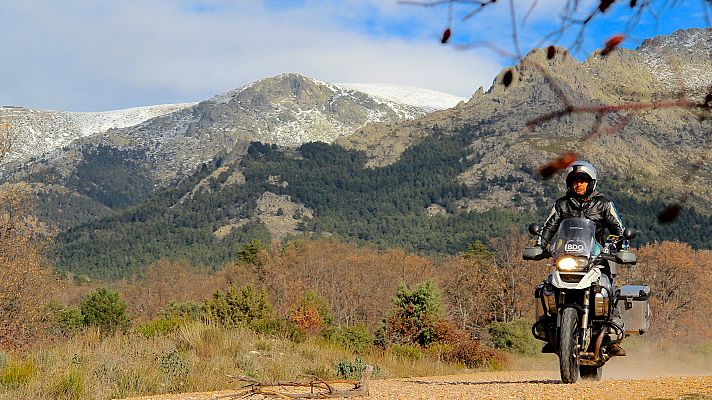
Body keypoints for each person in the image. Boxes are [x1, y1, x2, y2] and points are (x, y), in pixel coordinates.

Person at [538, 160, 627, 356]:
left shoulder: (603, 204)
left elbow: (618, 228)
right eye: (575, 180)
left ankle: (612, 332)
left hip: (597, 257)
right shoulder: (561, 205)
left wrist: (622, 246)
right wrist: (540, 245)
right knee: (546, 287)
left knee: (607, 288)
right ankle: (548, 328)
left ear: (591, 182)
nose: (579, 184)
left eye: (583, 180)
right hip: (568, 257)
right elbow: (550, 226)